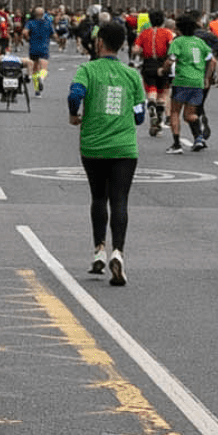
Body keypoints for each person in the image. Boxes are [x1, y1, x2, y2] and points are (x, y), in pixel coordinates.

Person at [70, 21, 147, 286]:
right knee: (120, 200)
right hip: (124, 147)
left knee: (98, 197)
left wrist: (74, 114)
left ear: (99, 42)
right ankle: (119, 252)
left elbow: (75, 94)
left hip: (93, 145)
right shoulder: (132, 75)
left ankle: (99, 250)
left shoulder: (87, 69)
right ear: (123, 45)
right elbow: (140, 116)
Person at [164, 13, 215, 154]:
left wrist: (163, 69)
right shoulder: (200, 42)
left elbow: (171, 60)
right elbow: (211, 60)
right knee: (190, 114)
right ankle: (198, 137)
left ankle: (176, 144)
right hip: (197, 81)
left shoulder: (178, 42)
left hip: (182, 80)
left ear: (179, 29)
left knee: (175, 111)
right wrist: (206, 77)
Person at [24, 7, 55, 95]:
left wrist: (27, 39)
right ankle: (41, 78)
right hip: (44, 47)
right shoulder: (48, 23)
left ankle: (37, 89)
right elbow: (54, 34)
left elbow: (24, 32)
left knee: (34, 69)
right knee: (44, 68)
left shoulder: (30, 22)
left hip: (33, 47)